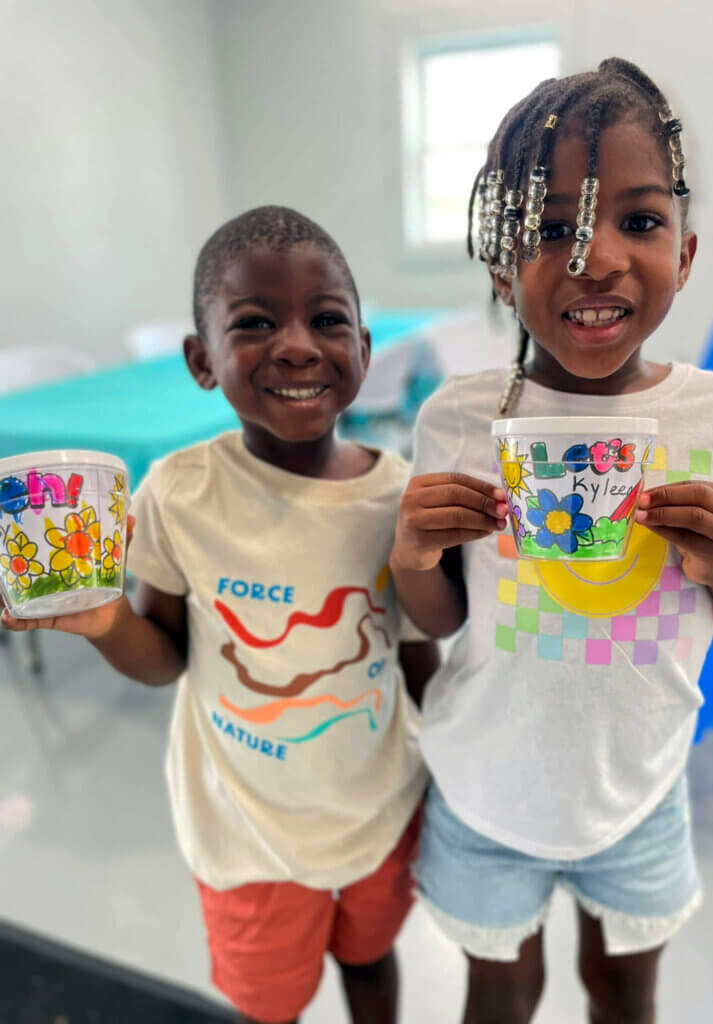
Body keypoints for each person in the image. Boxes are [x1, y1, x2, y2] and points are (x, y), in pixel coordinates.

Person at [389, 58, 713, 1024]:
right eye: (551, 228)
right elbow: (441, 617)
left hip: (639, 794)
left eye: (638, 220)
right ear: (501, 263)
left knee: (622, 993)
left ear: (684, 255)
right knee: (501, 995)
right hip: (485, 789)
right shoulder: (460, 416)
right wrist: (413, 557)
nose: (592, 257)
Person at [2, 206, 438, 1024]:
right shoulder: (177, 491)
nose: (299, 343)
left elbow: (420, 658)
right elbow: (165, 653)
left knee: (374, 965)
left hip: (381, 812)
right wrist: (103, 624)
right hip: (246, 838)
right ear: (201, 362)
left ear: (365, 352)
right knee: (268, 1007)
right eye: (256, 323)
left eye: (329, 319)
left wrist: (449, 772)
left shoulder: (399, 495)